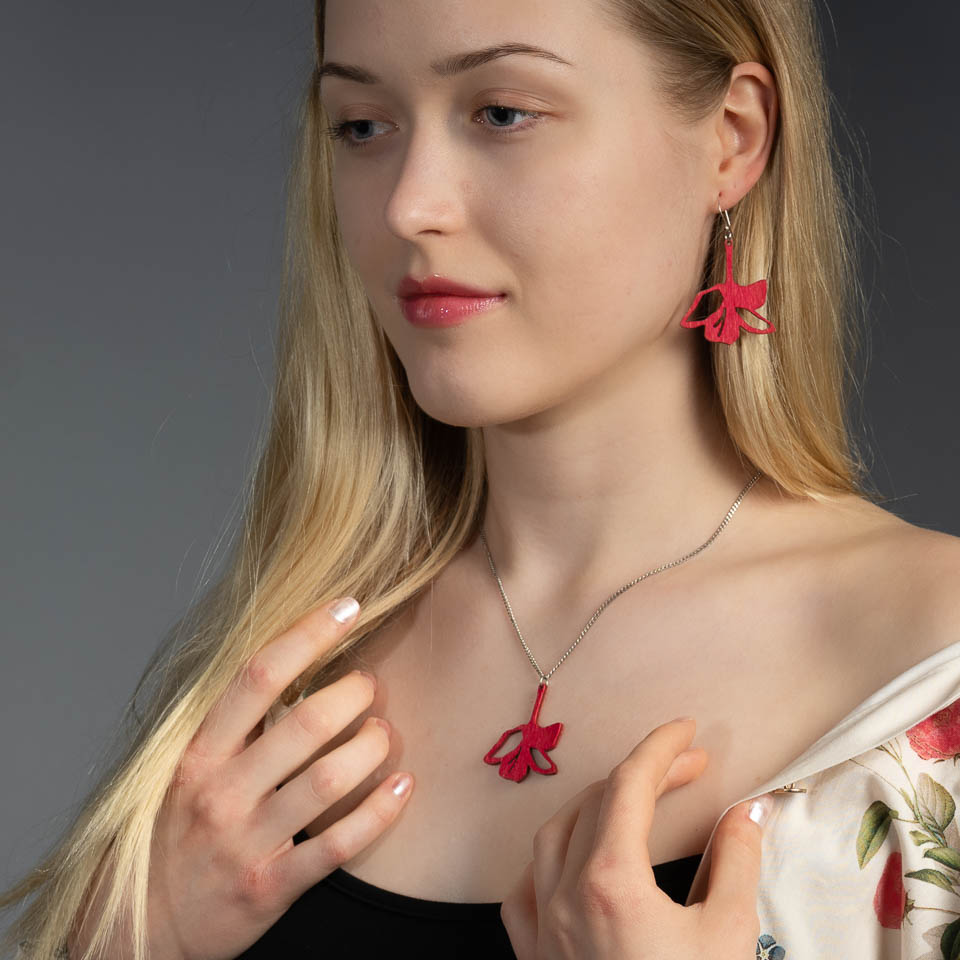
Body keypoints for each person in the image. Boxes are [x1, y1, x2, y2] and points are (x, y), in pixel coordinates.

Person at [5, 0, 959, 957]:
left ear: (733, 138)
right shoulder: (276, 682)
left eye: (503, 113)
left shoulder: (932, 665)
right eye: (362, 126)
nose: (408, 206)